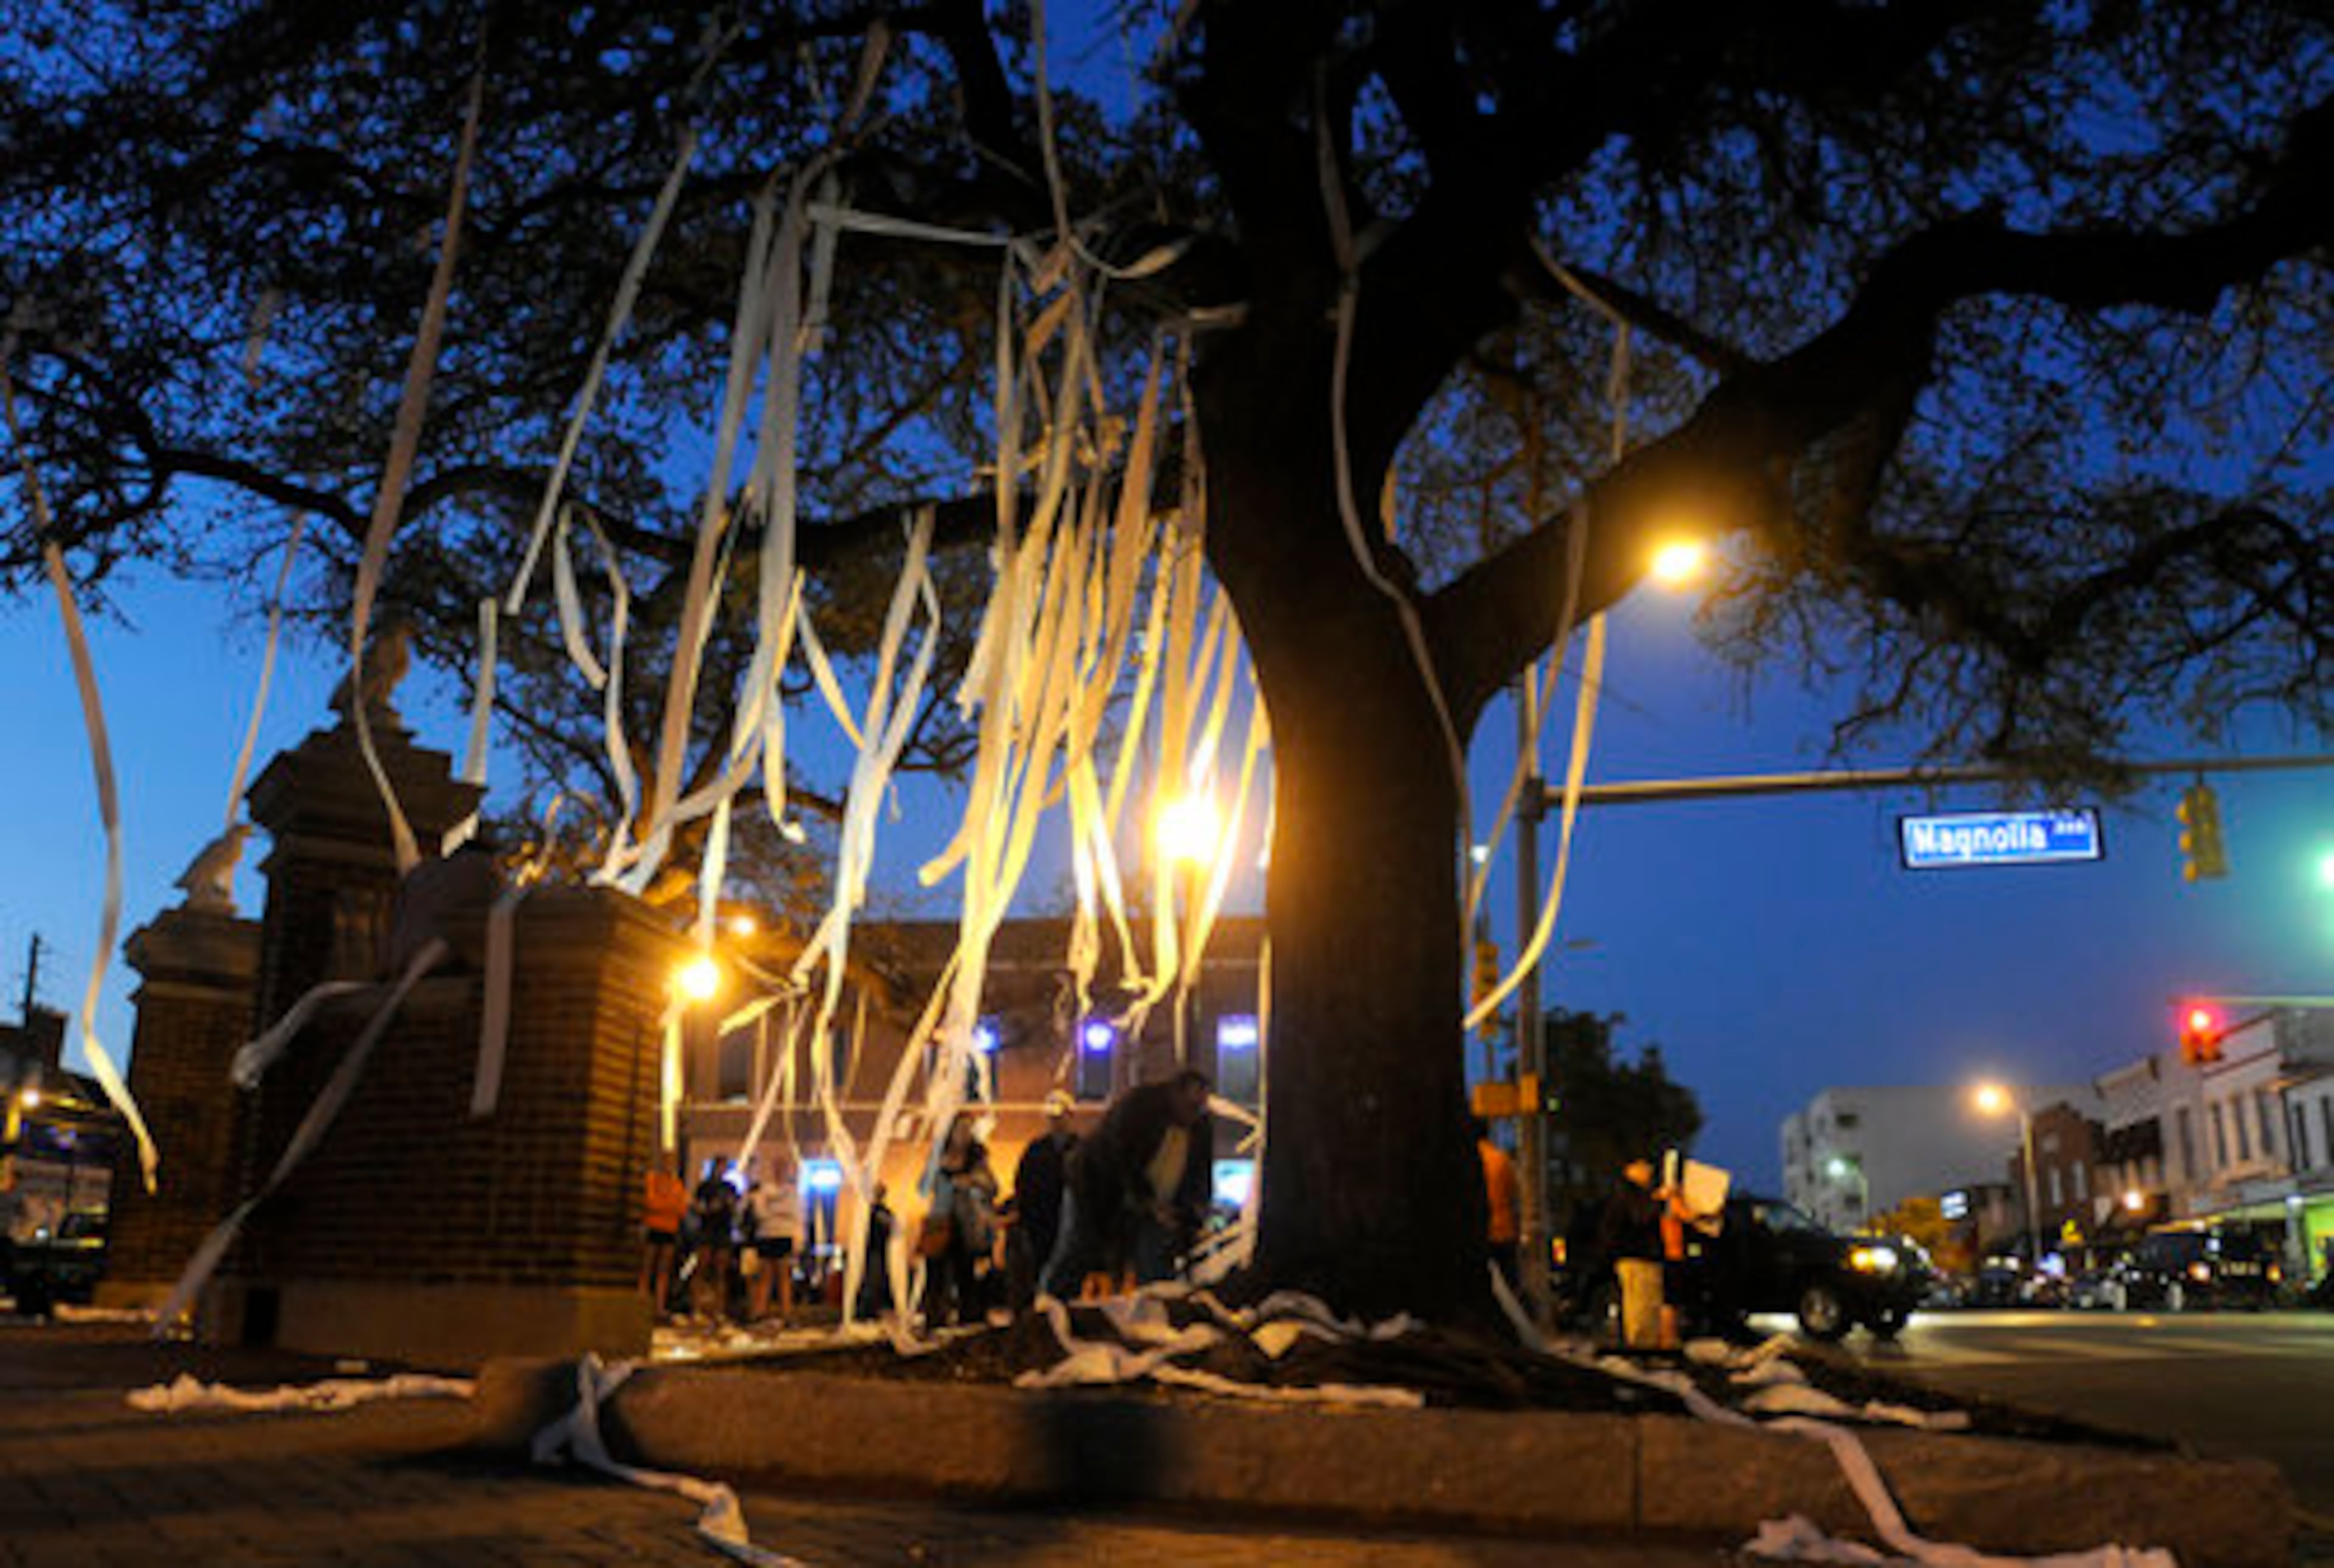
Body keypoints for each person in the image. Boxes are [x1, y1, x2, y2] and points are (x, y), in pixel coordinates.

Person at [1044, 1068, 1214, 1296]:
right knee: (1078, 1248)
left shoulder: (1200, 1127)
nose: (1194, 1114)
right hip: (1096, 1188)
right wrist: (1148, 1201)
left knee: (1155, 1255)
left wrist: (1191, 1212)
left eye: (1200, 1107)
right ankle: (1051, 1305)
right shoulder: (1140, 1108)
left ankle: (1156, 1306)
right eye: (1191, 1106)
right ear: (1176, 1094)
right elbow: (1121, 1158)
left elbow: (1200, 1175)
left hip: (1151, 1203)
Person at [1004, 1091, 1078, 1313]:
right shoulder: (1036, 1150)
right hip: (1040, 1224)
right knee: (1039, 1270)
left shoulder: (1081, 1149)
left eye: (1060, 1117)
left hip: (1069, 1224)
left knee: (1067, 1272)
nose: (1056, 1123)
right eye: (1052, 1118)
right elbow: (1022, 1185)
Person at [930, 1115, 1000, 1327]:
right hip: (940, 1220)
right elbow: (924, 1187)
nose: (964, 1135)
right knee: (936, 1272)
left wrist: (972, 1181)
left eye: (968, 1130)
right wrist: (939, 1176)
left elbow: (992, 1187)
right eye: (961, 1129)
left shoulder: (977, 1159)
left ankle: (969, 1314)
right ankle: (936, 1316)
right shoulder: (938, 1155)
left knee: (966, 1269)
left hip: (966, 1221)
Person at [743, 1155, 801, 1326]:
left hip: (784, 1235)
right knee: (765, 1275)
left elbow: (795, 1213)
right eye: (778, 1167)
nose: (780, 1171)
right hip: (766, 1234)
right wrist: (778, 1212)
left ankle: (787, 1313)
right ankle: (759, 1311)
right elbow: (760, 1212)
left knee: (784, 1275)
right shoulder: (765, 1190)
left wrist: (778, 1213)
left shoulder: (792, 1191)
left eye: (784, 1168)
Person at [685, 1158, 740, 1322]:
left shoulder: (730, 1187)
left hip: (723, 1231)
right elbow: (696, 1206)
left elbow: (736, 1208)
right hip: (707, 1230)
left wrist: (730, 1205)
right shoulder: (705, 1186)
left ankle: (719, 1309)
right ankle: (696, 1307)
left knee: (721, 1271)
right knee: (702, 1266)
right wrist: (709, 1208)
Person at [1475, 1118, 1521, 1290]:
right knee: (1509, 1285)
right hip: (1504, 1233)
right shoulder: (1501, 1160)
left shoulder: (1469, 1162)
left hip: (1479, 1234)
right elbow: (1514, 1198)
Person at [639, 1160, 688, 1315]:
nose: (669, 1167)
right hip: (654, 1226)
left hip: (670, 1230)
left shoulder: (678, 1185)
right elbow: (650, 1202)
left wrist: (666, 1206)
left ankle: (660, 1305)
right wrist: (668, 1206)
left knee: (664, 1269)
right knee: (647, 1266)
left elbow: (682, 1209)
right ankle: (642, 1299)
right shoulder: (652, 1180)